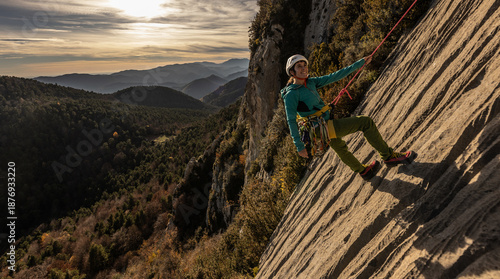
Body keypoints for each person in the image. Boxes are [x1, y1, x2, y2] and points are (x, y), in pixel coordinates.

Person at [280, 54, 416, 180]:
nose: (303, 68)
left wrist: (360, 63)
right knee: (365, 122)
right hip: (320, 127)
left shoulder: (310, 82)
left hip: (323, 124)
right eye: (299, 66)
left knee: (340, 147)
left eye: (304, 65)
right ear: (292, 72)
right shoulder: (291, 94)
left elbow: (335, 76)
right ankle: (388, 156)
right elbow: (291, 120)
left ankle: (363, 171)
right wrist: (299, 146)